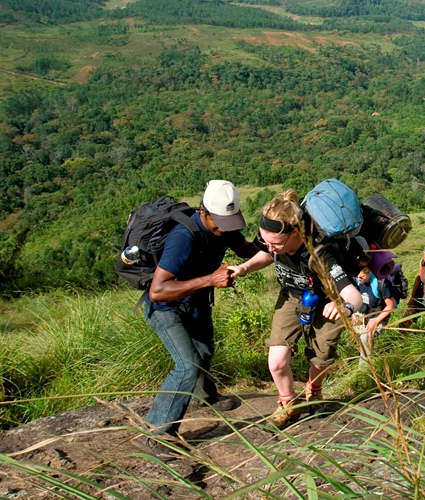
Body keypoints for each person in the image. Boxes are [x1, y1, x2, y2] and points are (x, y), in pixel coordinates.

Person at [136, 180, 258, 460]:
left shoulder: (223, 226)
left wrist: (278, 243)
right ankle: (157, 435)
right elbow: (157, 291)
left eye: (229, 222)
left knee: (203, 352)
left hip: (196, 302)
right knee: (187, 367)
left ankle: (207, 397)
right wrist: (210, 279)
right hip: (167, 308)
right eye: (219, 223)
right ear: (204, 212)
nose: (224, 228)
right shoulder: (184, 237)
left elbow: (244, 249)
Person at [228, 190, 364, 429]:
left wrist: (345, 306)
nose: (271, 248)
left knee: (321, 359)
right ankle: (287, 402)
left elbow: (353, 294)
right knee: (277, 362)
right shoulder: (272, 240)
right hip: (291, 297)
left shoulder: (319, 254)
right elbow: (266, 254)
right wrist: (245, 267)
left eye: (276, 243)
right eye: (265, 240)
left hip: (327, 302)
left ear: (295, 232)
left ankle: (314, 390)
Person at [354, 267, 396, 368]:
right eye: (357, 277)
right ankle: (366, 355)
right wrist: (354, 315)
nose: (359, 279)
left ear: (369, 272)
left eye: (362, 277)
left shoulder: (381, 283)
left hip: (378, 315)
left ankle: (364, 369)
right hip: (362, 313)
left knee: (365, 337)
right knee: (358, 337)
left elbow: (390, 306)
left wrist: (376, 321)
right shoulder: (357, 282)